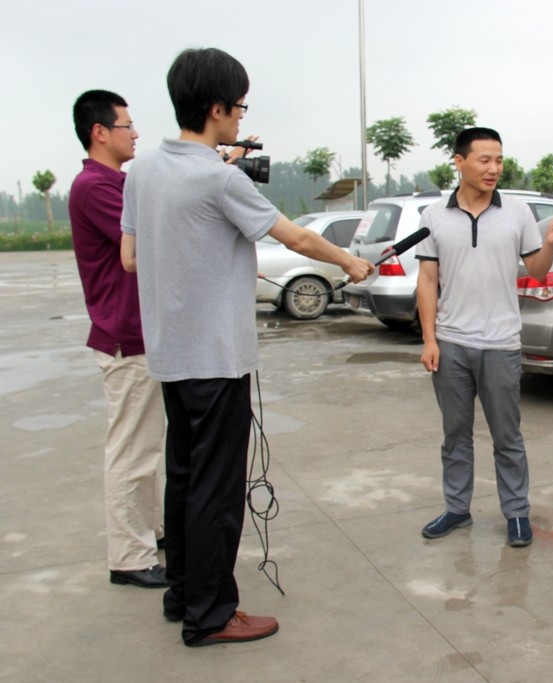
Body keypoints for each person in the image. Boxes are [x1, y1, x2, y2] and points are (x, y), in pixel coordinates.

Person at [120, 47, 373, 647]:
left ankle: (182, 591)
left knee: (184, 478)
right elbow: (298, 238)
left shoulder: (146, 171)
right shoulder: (217, 177)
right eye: (237, 107)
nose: (240, 118)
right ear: (215, 108)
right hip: (216, 360)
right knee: (218, 491)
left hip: (172, 358)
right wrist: (349, 260)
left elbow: (131, 257)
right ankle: (209, 615)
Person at [416, 127, 553, 547]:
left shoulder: (518, 213)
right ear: (459, 162)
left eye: (499, 160)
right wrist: (430, 339)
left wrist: (550, 242)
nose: (494, 169)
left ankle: (517, 513)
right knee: (455, 434)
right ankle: (457, 508)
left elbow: (538, 270)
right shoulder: (435, 216)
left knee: (507, 436)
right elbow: (428, 279)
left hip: (502, 342)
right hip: (451, 342)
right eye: (484, 160)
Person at [69, 90, 167, 589]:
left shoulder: (118, 183)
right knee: (132, 450)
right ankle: (130, 556)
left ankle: (149, 533)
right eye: (126, 126)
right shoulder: (95, 186)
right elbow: (150, 234)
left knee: (148, 447)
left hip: (140, 335)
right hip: (124, 337)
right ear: (99, 132)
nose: (135, 134)